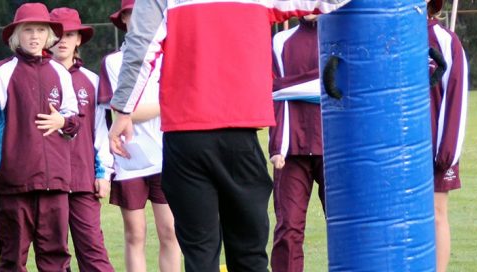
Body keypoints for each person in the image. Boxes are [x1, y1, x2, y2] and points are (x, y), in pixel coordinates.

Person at [106, 1, 351, 271]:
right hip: (240, 135)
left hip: (186, 137)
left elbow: (140, 48)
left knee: (200, 256)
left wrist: (124, 111)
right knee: (249, 255)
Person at [0, 3, 79, 271]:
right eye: (28, 30)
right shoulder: (4, 71)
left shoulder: (60, 73)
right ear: (16, 34)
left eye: (41, 29)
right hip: (14, 183)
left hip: (55, 182)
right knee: (13, 258)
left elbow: (75, 119)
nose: (35, 36)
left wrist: (63, 120)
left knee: (56, 257)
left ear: (49, 35)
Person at [99, 1, 180, 271]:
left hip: (166, 156)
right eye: (133, 14)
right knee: (135, 234)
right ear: (123, 19)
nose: (142, 18)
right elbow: (117, 110)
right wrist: (159, 106)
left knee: (170, 231)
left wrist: (130, 112)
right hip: (129, 158)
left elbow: (129, 111)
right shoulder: (112, 62)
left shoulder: (169, 57)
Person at [50, 7, 115, 272]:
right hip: (48, 180)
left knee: (93, 249)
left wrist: (104, 173)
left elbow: (101, 130)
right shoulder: (38, 76)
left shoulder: (92, 80)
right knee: (54, 251)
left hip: (83, 178)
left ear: (79, 39)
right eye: (58, 34)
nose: (63, 40)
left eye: (70, 34)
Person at [268, 15, 326, 272]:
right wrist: (276, 146)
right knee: (288, 229)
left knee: (346, 227)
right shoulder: (281, 41)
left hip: (335, 151)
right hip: (291, 152)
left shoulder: (344, 36)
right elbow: (275, 93)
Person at [426, 1, 469, 271]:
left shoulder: (445, 40)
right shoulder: (385, 33)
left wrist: (447, 152)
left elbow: (456, 99)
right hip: (395, 150)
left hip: (436, 148)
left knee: (437, 215)